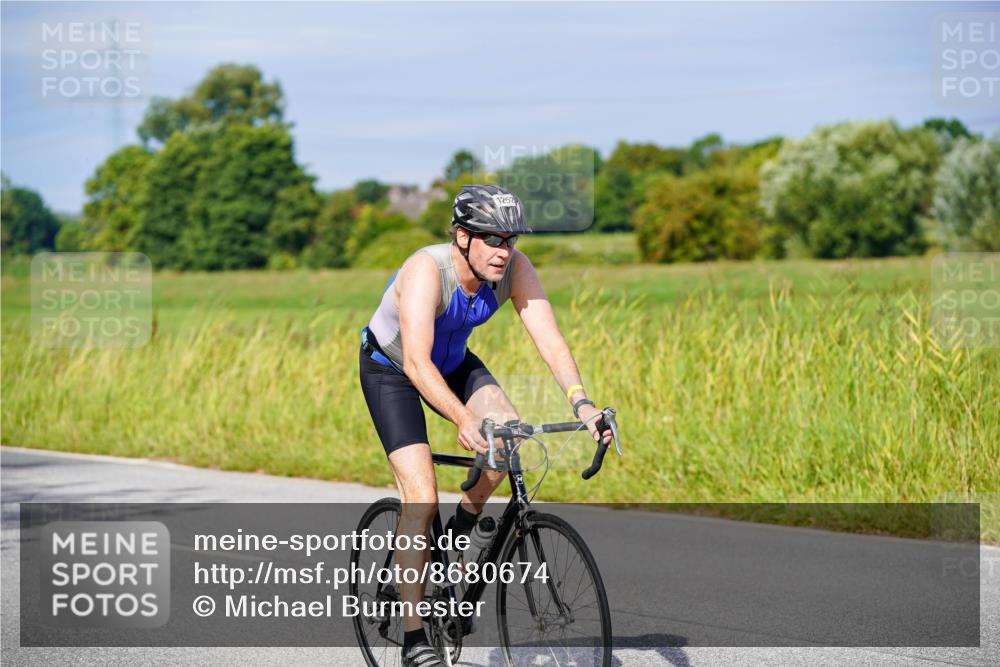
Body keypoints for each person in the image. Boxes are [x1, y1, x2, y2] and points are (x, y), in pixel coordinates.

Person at [358, 184, 612, 667]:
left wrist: (582, 404)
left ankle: (460, 534)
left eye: (510, 239)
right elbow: (415, 361)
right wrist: (461, 417)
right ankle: (415, 640)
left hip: (453, 362)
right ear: (461, 237)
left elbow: (549, 338)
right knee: (421, 499)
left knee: (507, 436)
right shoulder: (425, 272)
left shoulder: (515, 269)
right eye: (492, 239)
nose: (504, 251)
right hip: (392, 370)